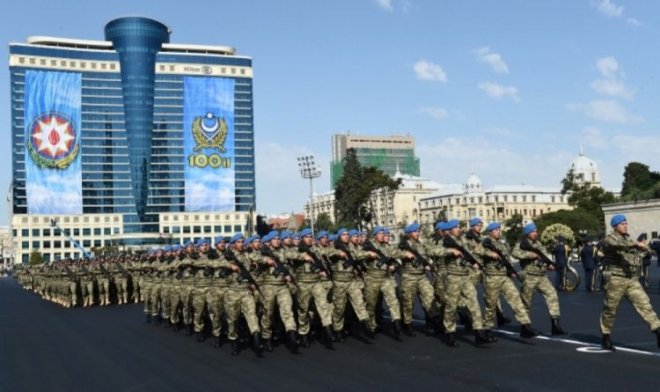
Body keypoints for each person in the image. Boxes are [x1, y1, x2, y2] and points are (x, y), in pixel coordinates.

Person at [599, 215, 660, 351]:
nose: (625, 226)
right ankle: (606, 336)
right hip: (615, 278)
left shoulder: (628, 238)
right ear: (615, 226)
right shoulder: (610, 238)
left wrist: (644, 249)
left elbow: (638, 252)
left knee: (645, 304)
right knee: (610, 309)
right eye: (622, 224)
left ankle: (657, 330)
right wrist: (636, 245)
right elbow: (616, 245)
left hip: (631, 278)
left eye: (626, 223)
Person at [480, 222, 537, 340]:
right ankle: (487, 329)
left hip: (505, 276)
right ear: (490, 232)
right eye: (495, 230)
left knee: (516, 299)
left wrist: (511, 270)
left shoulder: (503, 243)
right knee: (491, 305)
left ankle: (526, 325)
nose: (498, 232)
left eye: (499, 229)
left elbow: (507, 258)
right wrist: (490, 253)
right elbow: (477, 251)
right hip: (492, 277)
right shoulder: (485, 242)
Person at [512, 222, 567, 335]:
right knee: (526, 302)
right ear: (527, 233)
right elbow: (515, 253)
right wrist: (529, 254)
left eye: (536, 231)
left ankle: (555, 324)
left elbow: (543, 258)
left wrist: (549, 265)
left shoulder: (539, 244)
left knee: (552, 295)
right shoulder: (522, 243)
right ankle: (525, 327)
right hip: (529, 275)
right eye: (532, 231)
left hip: (541, 276)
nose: (535, 233)